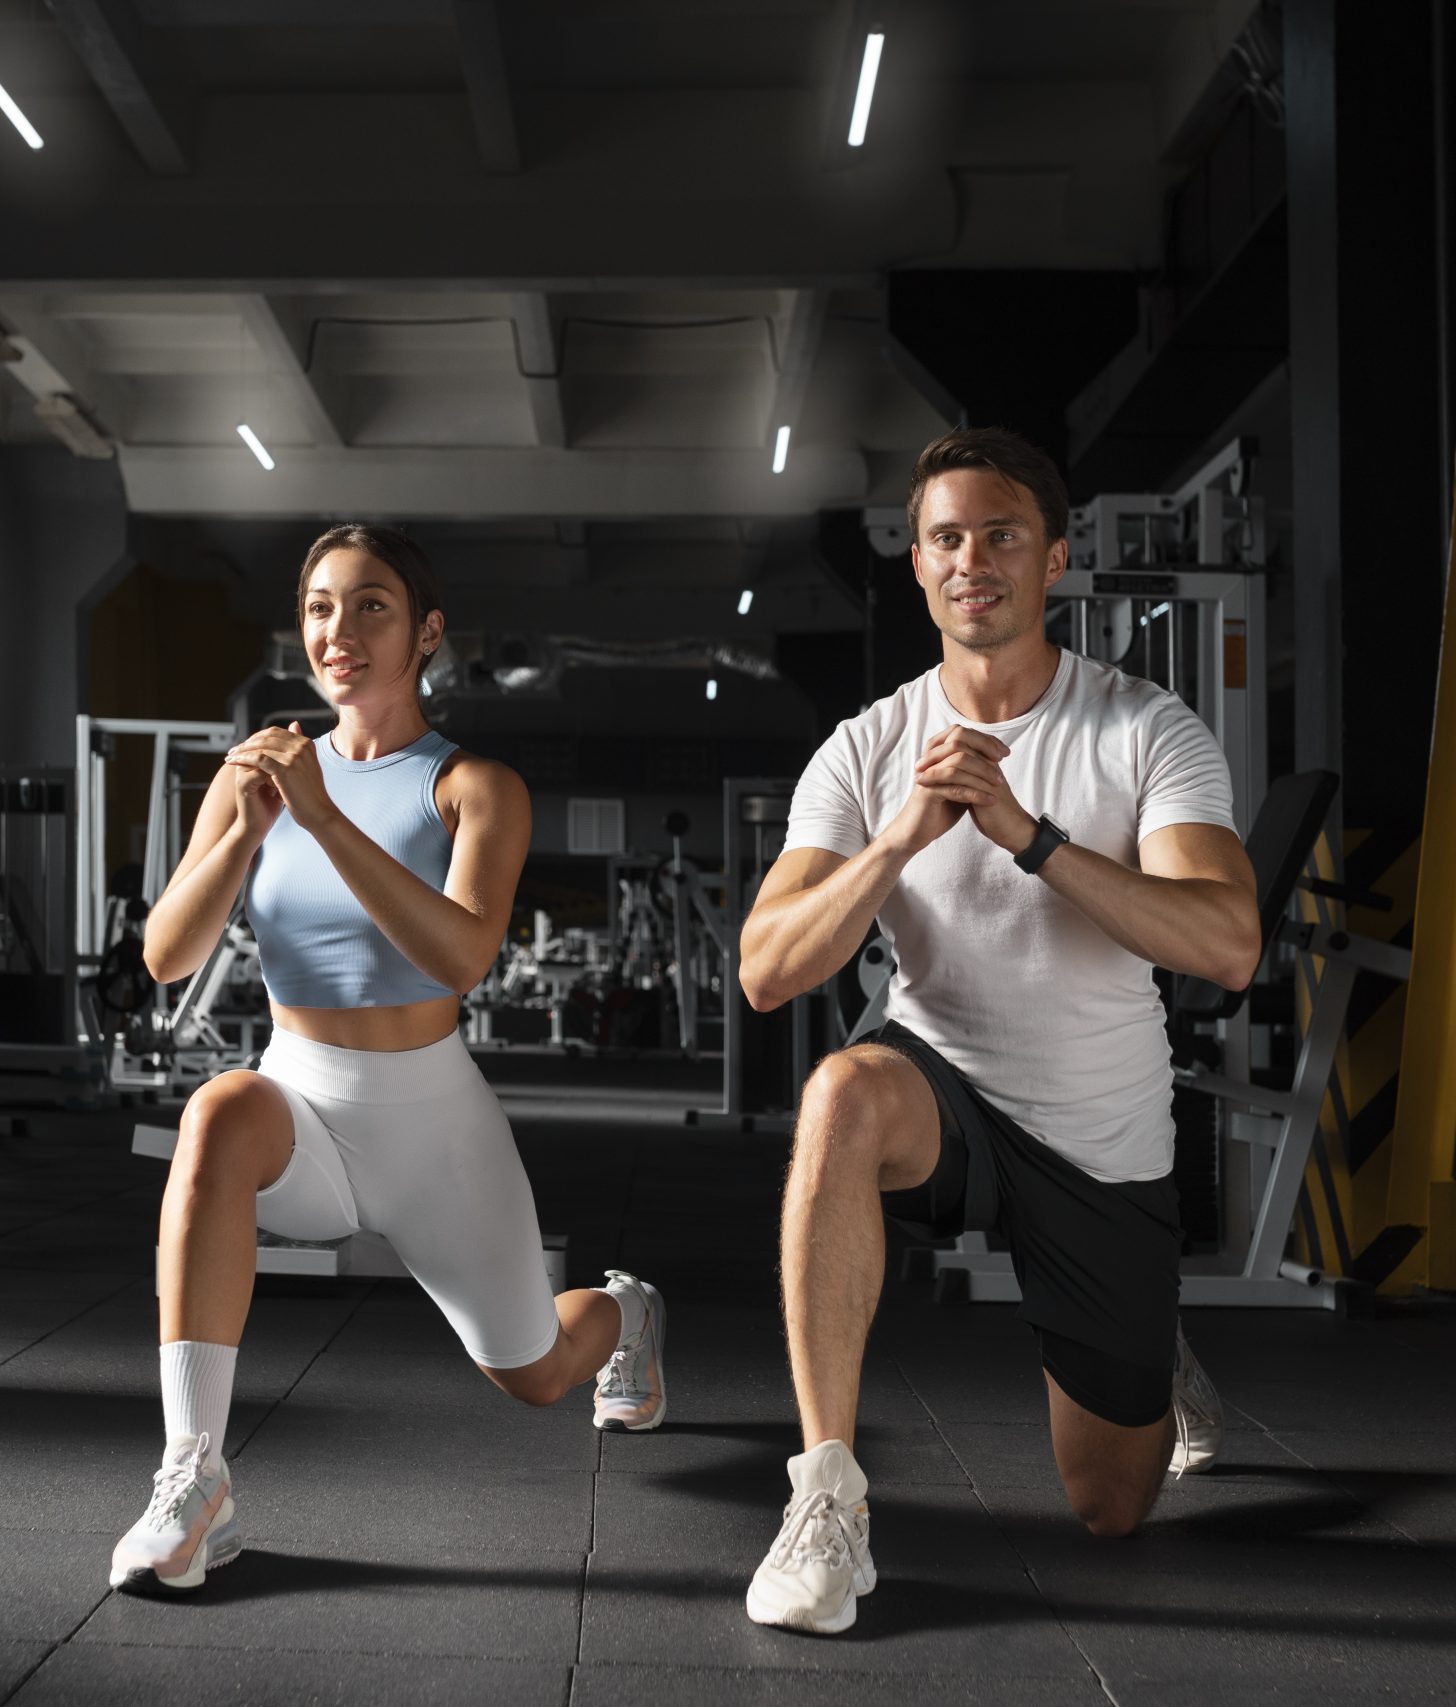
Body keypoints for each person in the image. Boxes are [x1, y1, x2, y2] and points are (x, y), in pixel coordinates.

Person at [734, 427, 1258, 1634]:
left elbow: (1227, 942)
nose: (975, 559)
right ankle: (825, 1497)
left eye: (1003, 533)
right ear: (918, 568)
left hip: (1097, 1137)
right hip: (941, 1099)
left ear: (1055, 558)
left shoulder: (1142, 730)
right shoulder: (866, 747)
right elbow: (767, 971)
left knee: (1111, 1511)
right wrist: (896, 840)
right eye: (948, 538)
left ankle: (1152, 1351)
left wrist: (1028, 834)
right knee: (840, 1094)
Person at [109, 522, 667, 1595]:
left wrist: (320, 816)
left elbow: (460, 957)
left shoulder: (473, 786)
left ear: (427, 634)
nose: (339, 630)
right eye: (320, 606)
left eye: (370, 606)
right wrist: (250, 825)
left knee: (538, 1376)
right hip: (301, 1107)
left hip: (433, 1126)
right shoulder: (254, 776)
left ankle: (628, 1311)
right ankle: (194, 1476)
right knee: (219, 1110)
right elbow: (167, 952)